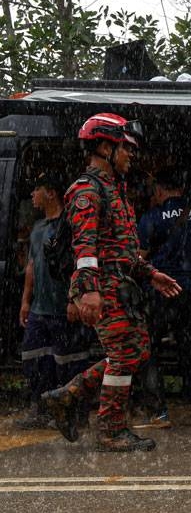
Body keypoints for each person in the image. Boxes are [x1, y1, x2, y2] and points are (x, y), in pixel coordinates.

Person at [42, 113, 182, 452]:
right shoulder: (87, 190)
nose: (130, 156)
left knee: (136, 349)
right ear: (105, 147)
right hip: (103, 286)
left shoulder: (114, 190)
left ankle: (70, 394)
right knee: (124, 353)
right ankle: (111, 428)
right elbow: (85, 246)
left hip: (120, 284)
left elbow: (121, 248)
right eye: (125, 149)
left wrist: (149, 274)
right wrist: (88, 290)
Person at [136, 169, 191, 428]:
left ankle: (158, 412)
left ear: (160, 191)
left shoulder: (151, 217)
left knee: (148, 349)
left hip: (159, 291)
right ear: (182, 190)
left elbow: (139, 258)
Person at [16, 173, 91, 429]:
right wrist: (26, 301)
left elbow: (77, 265)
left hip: (63, 307)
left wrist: (74, 299)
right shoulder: (37, 228)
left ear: (50, 193)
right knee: (33, 356)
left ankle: (73, 414)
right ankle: (41, 408)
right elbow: (31, 265)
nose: (32, 195)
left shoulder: (69, 226)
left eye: (36, 189)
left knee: (68, 361)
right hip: (39, 308)